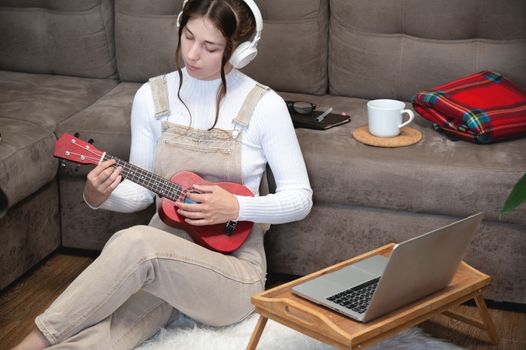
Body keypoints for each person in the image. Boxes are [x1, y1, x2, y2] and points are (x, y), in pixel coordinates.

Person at [13, 0, 312, 348]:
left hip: (232, 272)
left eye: (210, 47)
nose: (193, 54)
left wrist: (236, 209)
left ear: (240, 51)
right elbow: (142, 194)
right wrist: (98, 197)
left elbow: (300, 199)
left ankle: (30, 342)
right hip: (163, 259)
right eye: (188, 37)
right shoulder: (152, 97)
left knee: (135, 241)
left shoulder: (264, 105)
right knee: (107, 331)